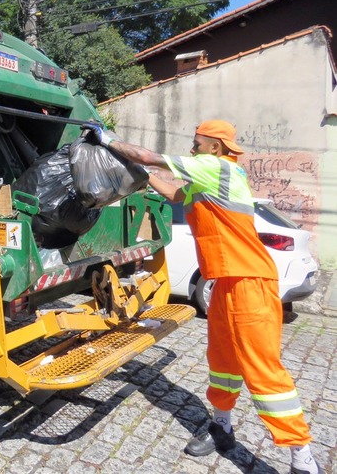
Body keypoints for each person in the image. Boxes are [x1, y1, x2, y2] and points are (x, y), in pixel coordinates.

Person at [87, 119, 321, 474]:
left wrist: (108, 140)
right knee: (222, 361)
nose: (192, 148)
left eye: (197, 143)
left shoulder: (218, 168)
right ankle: (221, 427)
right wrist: (135, 170)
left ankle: (302, 460)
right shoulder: (205, 182)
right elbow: (172, 193)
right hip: (225, 283)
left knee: (263, 371)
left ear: (215, 146)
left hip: (249, 282)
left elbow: (152, 157)